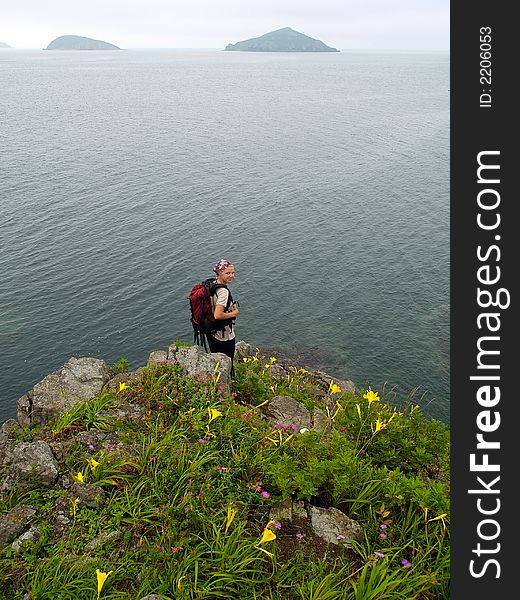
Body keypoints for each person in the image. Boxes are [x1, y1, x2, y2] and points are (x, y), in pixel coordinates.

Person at [206, 259, 240, 369]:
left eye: (233, 273)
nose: (231, 276)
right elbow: (218, 315)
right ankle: (230, 382)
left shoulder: (212, 284)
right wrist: (234, 313)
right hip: (223, 335)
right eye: (228, 273)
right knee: (228, 363)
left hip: (211, 331)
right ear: (220, 273)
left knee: (216, 362)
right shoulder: (223, 292)